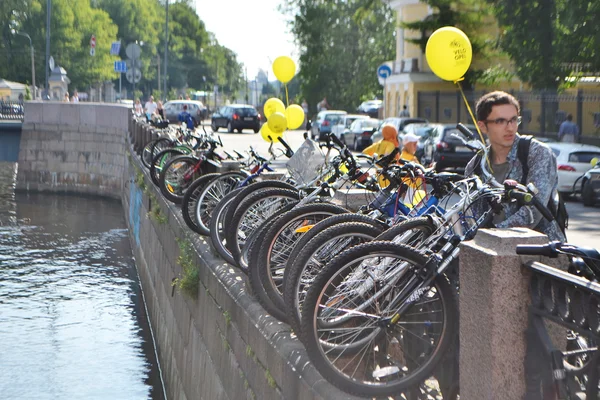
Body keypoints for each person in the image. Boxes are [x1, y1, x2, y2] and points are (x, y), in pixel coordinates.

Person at [465, 90, 565, 242]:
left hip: (541, 252)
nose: (510, 128)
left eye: (513, 120)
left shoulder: (536, 152)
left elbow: (533, 212)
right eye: (500, 121)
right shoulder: (476, 166)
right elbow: (472, 214)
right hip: (491, 252)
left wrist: (491, 235)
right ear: (483, 126)